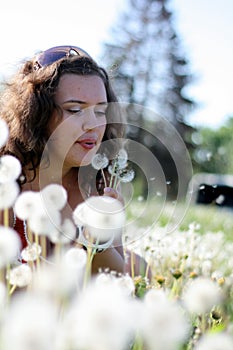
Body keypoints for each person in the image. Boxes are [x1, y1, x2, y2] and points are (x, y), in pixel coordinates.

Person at [0, 45, 149, 277]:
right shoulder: (5, 180)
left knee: (141, 270)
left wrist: (98, 236)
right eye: (75, 109)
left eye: (100, 112)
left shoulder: (100, 183)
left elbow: (115, 281)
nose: (93, 125)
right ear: (37, 113)